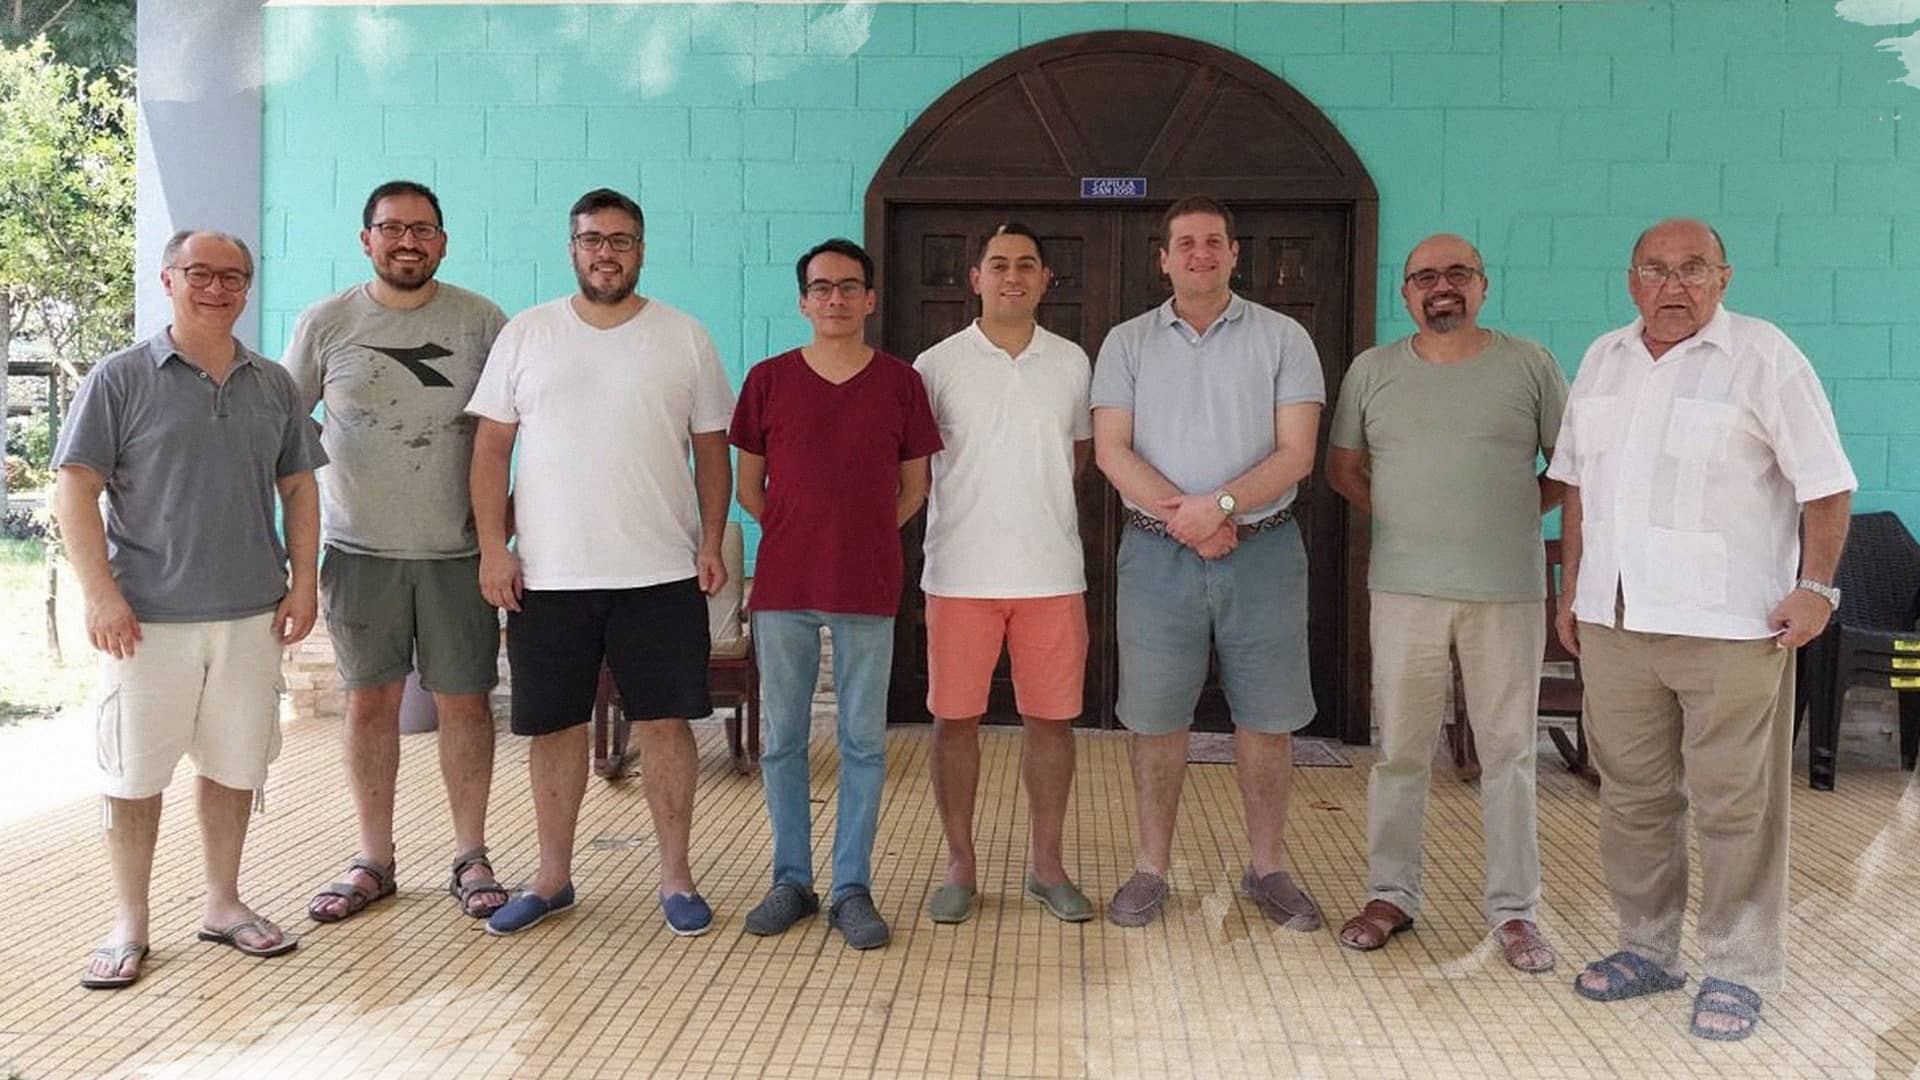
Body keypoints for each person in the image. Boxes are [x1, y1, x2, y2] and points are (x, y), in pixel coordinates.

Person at [1552, 218, 1855, 1040]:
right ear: (1631, 281)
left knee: (1736, 807)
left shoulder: (1765, 357)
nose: (1673, 285)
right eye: (1655, 270)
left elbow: (1827, 484)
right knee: (1633, 797)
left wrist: (1816, 588)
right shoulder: (1604, 358)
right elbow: (1577, 485)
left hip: (1730, 624)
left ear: (1724, 277)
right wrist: (1572, 587)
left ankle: (1739, 968)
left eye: (1692, 268)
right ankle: (1647, 948)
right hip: (1616, 620)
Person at [56, 230, 325, 988]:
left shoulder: (273, 384)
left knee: (236, 765)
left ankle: (223, 902)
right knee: (133, 774)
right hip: (145, 621)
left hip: (250, 616)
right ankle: (130, 921)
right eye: (200, 273)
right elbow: (76, 487)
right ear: (167, 279)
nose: (217, 288)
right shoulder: (119, 379)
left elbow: (299, 486)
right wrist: (99, 593)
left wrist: (304, 580)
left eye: (232, 276)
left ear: (247, 288)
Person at [467, 188, 734, 937]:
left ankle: (676, 876)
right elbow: (490, 450)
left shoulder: (684, 336)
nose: (606, 253)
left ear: (641, 250)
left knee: (666, 724)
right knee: (553, 728)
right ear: (572, 248)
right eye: (592, 240)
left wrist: (711, 540)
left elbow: (713, 451)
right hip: (549, 576)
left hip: (659, 572)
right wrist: (493, 548)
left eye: (620, 240)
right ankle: (552, 877)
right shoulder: (527, 334)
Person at [1326, 233, 1568, 972]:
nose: (1442, 287)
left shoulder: (1530, 364)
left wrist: (1511, 514)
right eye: (1425, 276)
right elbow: (1343, 469)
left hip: (1506, 590)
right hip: (1404, 588)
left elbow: (1570, 467)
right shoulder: (1372, 372)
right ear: (1405, 293)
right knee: (1400, 751)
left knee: (1509, 753)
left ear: (1483, 286)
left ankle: (1516, 911)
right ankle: (1390, 895)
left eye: (1458, 273)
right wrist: (1406, 516)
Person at [1090, 195, 1325, 930]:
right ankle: (1150, 868)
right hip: (1157, 555)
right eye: (1186, 243)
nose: (1200, 253)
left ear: (1234, 254)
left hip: (1264, 551)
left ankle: (1269, 868)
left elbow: (1298, 452)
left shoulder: (1285, 338)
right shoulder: (1126, 343)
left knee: (1269, 717)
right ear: (1163, 258)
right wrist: (1190, 522)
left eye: (1214, 241)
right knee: (1157, 717)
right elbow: (1112, 451)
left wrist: (1218, 507)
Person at [286, 180, 511, 925]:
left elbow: (514, 434)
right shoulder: (326, 323)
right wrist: (296, 551)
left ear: (442, 241)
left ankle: (471, 854)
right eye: (392, 228)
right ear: (367, 240)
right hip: (359, 553)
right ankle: (373, 859)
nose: (407, 241)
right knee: (369, 702)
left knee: (465, 703)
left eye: (422, 229)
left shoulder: (482, 322)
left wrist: (502, 538)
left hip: (459, 555)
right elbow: (285, 436)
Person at [730, 238, 942, 950]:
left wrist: (860, 537)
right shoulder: (767, 380)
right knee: (784, 741)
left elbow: (914, 489)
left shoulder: (900, 383)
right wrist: (800, 532)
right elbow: (749, 488)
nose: (835, 299)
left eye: (849, 287)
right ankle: (791, 880)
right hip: (783, 588)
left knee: (863, 744)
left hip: (867, 586)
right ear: (802, 301)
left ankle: (852, 887)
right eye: (821, 288)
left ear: (870, 299)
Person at [913, 223, 1095, 925]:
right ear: (976, 279)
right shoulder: (935, 365)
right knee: (953, 722)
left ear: (1046, 279)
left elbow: (1079, 455)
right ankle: (960, 864)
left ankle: (1047, 867)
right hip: (959, 574)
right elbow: (917, 465)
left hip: (1051, 573)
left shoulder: (1073, 362)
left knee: (1051, 723)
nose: (1012, 276)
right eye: (998, 265)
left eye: (1026, 265)